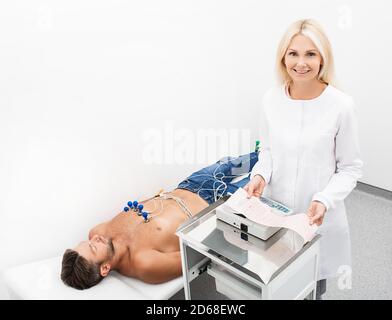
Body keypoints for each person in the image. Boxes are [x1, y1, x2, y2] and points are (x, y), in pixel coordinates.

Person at [244, 19, 363, 299]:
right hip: (276, 213)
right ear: (282, 57)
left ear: (323, 58)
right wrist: (260, 175)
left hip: (317, 218)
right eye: (293, 53)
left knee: (311, 287)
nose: (301, 63)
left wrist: (325, 200)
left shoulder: (341, 106)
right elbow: (268, 152)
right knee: (276, 282)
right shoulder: (270, 100)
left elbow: (350, 168)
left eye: (310, 54)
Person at [61, 152, 259, 289]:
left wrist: (92, 244)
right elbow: (198, 254)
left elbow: (94, 240)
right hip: (220, 202)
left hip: (193, 183)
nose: (95, 239)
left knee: (259, 156)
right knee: (272, 175)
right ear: (104, 268)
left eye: (87, 242)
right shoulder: (145, 264)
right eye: (93, 247)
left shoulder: (98, 232)